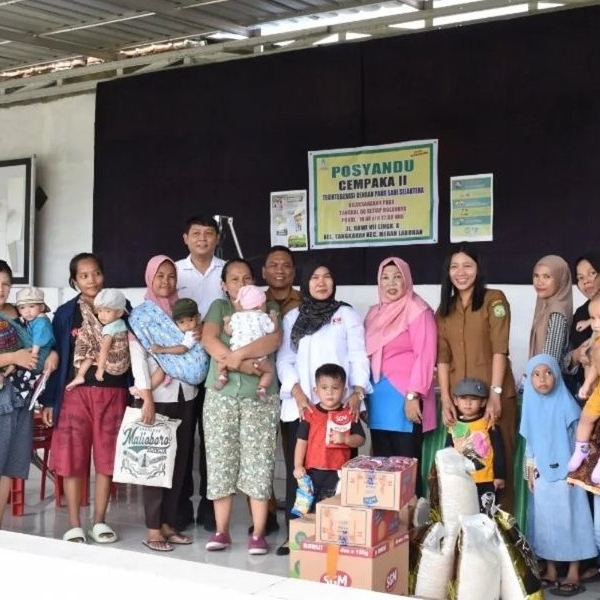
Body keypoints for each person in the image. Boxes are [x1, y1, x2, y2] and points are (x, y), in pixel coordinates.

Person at [276, 260, 370, 553]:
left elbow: (358, 356)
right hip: (303, 408)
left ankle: (337, 535)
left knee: (339, 475)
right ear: (305, 283)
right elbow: (284, 360)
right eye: (314, 277)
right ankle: (296, 535)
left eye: (327, 277)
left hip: (339, 408)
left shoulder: (346, 315)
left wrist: (356, 392)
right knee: (300, 472)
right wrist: (298, 393)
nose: (321, 282)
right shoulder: (293, 317)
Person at [40, 252, 130, 544]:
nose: (92, 280)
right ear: (74, 280)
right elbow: (58, 357)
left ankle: (100, 521)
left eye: (96, 273)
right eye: (84, 275)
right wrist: (51, 401)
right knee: (73, 459)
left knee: (107, 458)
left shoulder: (122, 307)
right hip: (75, 395)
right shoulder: (66, 313)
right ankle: (75, 524)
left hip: (113, 393)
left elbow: (133, 349)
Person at [202, 258, 282, 555]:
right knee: (220, 461)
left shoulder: (268, 308)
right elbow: (210, 340)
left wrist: (237, 359)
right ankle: (221, 531)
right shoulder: (219, 309)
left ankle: (258, 533)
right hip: (221, 398)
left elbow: (272, 341)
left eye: (247, 278)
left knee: (259, 463)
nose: (242, 283)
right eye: (234, 279)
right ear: (224, 285)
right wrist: (243, 364)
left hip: (258, 399)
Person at [435, 243, 517, 512]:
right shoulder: (444, 310)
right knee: (461, 472)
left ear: (478, 269)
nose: (461, 272)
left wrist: (494, 393)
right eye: (454, 267)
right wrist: (446, 399)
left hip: (494, 400)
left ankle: (501, 543)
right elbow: (443, 358)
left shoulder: (494, 299)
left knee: (496, 473)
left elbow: (500, 348)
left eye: (467, 265)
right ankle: (465, 543)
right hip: (461, 405)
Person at [128, 255, 198, 552]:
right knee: (154, 463)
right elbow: (139, 359)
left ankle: (168, 523)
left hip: (186, 394)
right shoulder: (141, 316)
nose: (166, 282)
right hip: (157, 398)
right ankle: (153, 528)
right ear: (149, 278)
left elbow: (193, 352)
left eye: (171, 276)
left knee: (179, 463)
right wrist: (146, 399)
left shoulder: (183, 310)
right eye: (160, 276)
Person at [521, 354, 596, 596]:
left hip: (568, 473)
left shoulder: (568, 404)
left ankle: (573, 571)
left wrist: (577, 471)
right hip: (542, 474)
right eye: (536, 374)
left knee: (572, 518)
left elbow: (581, 439)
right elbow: (529, 442)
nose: (542, 379)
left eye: (548, 372)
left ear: (557, 375)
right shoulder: (530, 407)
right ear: (530, 379)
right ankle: (551, 570)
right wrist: (530, 469)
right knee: (545, 521)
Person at [364, 256, 436, 497]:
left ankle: (411, 525)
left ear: (407, 280)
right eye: (385, 277)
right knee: (381, 463)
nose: (391, 283)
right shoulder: (374, 313)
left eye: (397, 277)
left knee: (405, 465)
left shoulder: (418, 310)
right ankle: (387, 526)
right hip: (378, 394)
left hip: (405, 395)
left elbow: (425, 355)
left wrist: (413, 395)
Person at [176, 215, 225, 531]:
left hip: (220, 365)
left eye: (209, 233)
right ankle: (179, 508)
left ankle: (210, 509)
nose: (203, 239)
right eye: (196, 233)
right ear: (186, 238)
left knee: (213, 441)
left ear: (218, 238)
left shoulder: (228, 271)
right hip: (182, 368)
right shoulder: (174, 271)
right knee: (182, 439)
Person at [0, 260, 54, 529]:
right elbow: (22, 355)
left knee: (10, 466)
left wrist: (52, 353)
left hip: (18, 401)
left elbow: (41, 345)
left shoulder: (13, 321)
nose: (1, 289)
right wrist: (14, 357)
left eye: (6, 284)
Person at [261, 245, 301, 548]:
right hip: (258, 388)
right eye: (273, 265)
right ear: (264, 271)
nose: (279, 270)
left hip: (290, 391)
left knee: (293, 455)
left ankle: (296, 512)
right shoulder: (252, 301)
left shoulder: (306, 301)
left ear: (293, 271)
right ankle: (265, 513)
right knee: (261, 454)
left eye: (285, 265)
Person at [293, 363, 366, 510]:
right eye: (324, 388)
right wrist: (298, 466)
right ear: (316, 391)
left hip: (338, 473)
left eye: (335, 388)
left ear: (344, 391)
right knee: (309, 509)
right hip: (312, 473)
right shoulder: (310, 414)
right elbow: (301, 442)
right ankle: (312, 532)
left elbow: (361, 439)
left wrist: (345, 439)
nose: (329, 393)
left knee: (332, 509)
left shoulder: (349, 413)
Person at [446, 377, 506, 508]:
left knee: (485, 516)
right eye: (463, 398)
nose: (468, 403)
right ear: (456, 401)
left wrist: (499, 475)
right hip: (461, 481)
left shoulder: (488, 423)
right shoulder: (454, 426)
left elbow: (499, 450)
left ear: (483, 402)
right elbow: (447, 454)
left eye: (473, 399)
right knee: (464, 512)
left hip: (485, 480)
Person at [219, 284, 278, 399]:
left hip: (236, 354)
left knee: (221, 362)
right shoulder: (263, 317)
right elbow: (272, 329)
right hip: (257, 356)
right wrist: (274, 319)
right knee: (269, 371)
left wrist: (226, 322)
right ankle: (261, 388)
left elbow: (229, 332)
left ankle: (222, 375)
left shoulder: (236, 317)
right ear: (261, 305)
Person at [66, 288, 129, 390]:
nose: (102, 315)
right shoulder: (125, 324)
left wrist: (100, 369)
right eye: (100, 310)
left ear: (119, 313)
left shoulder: (109, 328)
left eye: (108, 311)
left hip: (111, 365)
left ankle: (80, 375)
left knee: (91, 352)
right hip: (123, 367)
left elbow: (104, 349)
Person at [568, 291, 600, 482]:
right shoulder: (596, 341)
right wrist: (587, 384)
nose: (595, 323)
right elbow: (596, 366)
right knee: (587, 417)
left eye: (599, 318)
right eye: (593, 318)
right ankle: (581, 448)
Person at [142, 297, 201, 390]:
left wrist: (161, 349)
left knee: (163, 367)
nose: (187, 325)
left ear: (198, 317)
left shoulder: (192, 333)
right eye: (181, 322)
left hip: (192, 364)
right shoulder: (199, 328)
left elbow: (183, 349)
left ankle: (145, 390)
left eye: (190, 320)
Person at [565, 253, 600, 397]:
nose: (586, 281)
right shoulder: (581, 314)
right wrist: (577, 355)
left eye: (592, 273)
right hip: (587, 393)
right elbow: (565, 361)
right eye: (580, 278)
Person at [530, 254, 573, 365]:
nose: (539, 282)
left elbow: (550, 361)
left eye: (547, 277)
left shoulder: (556, 313)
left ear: (560, 280)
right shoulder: (544, 306)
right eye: (536, 275)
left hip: (546, 380)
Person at [14, 286, 55, 374]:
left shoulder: (41, 322)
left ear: (41, 307)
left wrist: (32, 357)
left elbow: (38, 341)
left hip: (39, 355)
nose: (27, 311)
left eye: (31, 306)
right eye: (22, 308)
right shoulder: (32, 319)